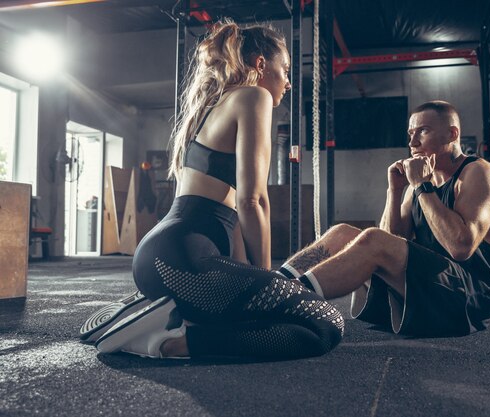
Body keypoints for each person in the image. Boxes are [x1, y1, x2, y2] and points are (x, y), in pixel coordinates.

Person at [84, 19, 344, 359]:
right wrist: (267, 278)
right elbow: (253, 201)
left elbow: (230, 215)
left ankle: (168, 318)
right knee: (327, 324)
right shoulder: (255, 96)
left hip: (160, 257)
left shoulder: (209, 107)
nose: (289, 83)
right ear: (261, 65)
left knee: (259, 322)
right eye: (285, 70)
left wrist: (251, 281)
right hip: (186, 258)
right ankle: (163, 343)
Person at [278, 100, 490, 337]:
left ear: (452, 134)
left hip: (471, 292)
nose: (412, 143)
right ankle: (273, 284)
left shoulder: (479, 174)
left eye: (423, 131)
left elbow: (461, 247)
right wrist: (395, 190)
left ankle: (282, 303)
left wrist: (422, 185)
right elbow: (392, 240)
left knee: (372, 238)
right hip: (432, 282)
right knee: (342, 232)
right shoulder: (420, 184)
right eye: (411, 134)